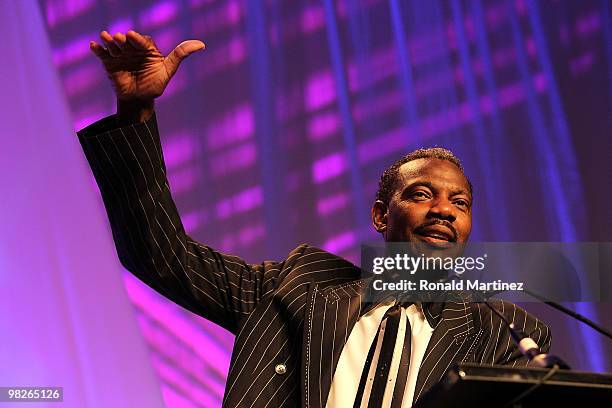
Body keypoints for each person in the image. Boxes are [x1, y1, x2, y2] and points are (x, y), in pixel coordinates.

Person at [78, 30, 551, 407]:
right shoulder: (295, 287)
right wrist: (137, 110)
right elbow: (162, 255)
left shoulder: (501, 333)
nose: (444, 210)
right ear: (380, 215)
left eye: (460, 203)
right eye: (423, 194)